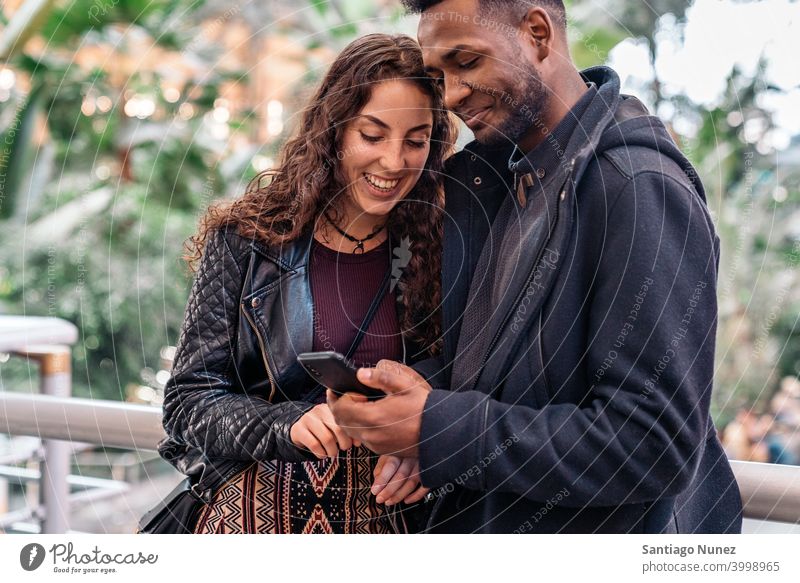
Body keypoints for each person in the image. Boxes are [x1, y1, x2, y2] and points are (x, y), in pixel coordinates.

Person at [329, 0, 744, 533]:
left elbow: (652, 443)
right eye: (439, 76)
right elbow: (513, 373)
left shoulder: (638, 188)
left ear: (537, 33)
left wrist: (435, 427)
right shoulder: (492, 180)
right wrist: (412, 397)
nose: (451, 96)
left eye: (467, 62)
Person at [158, 33, 456, 533]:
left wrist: (429, 440)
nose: (394, 161)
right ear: (335, 129)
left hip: (389, 522)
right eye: (373, 134)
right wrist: (287, 424)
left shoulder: (449, 245)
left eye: (416, 140)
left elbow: (469, 377)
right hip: (252, 520)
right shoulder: (245, 240)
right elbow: (187, 401)